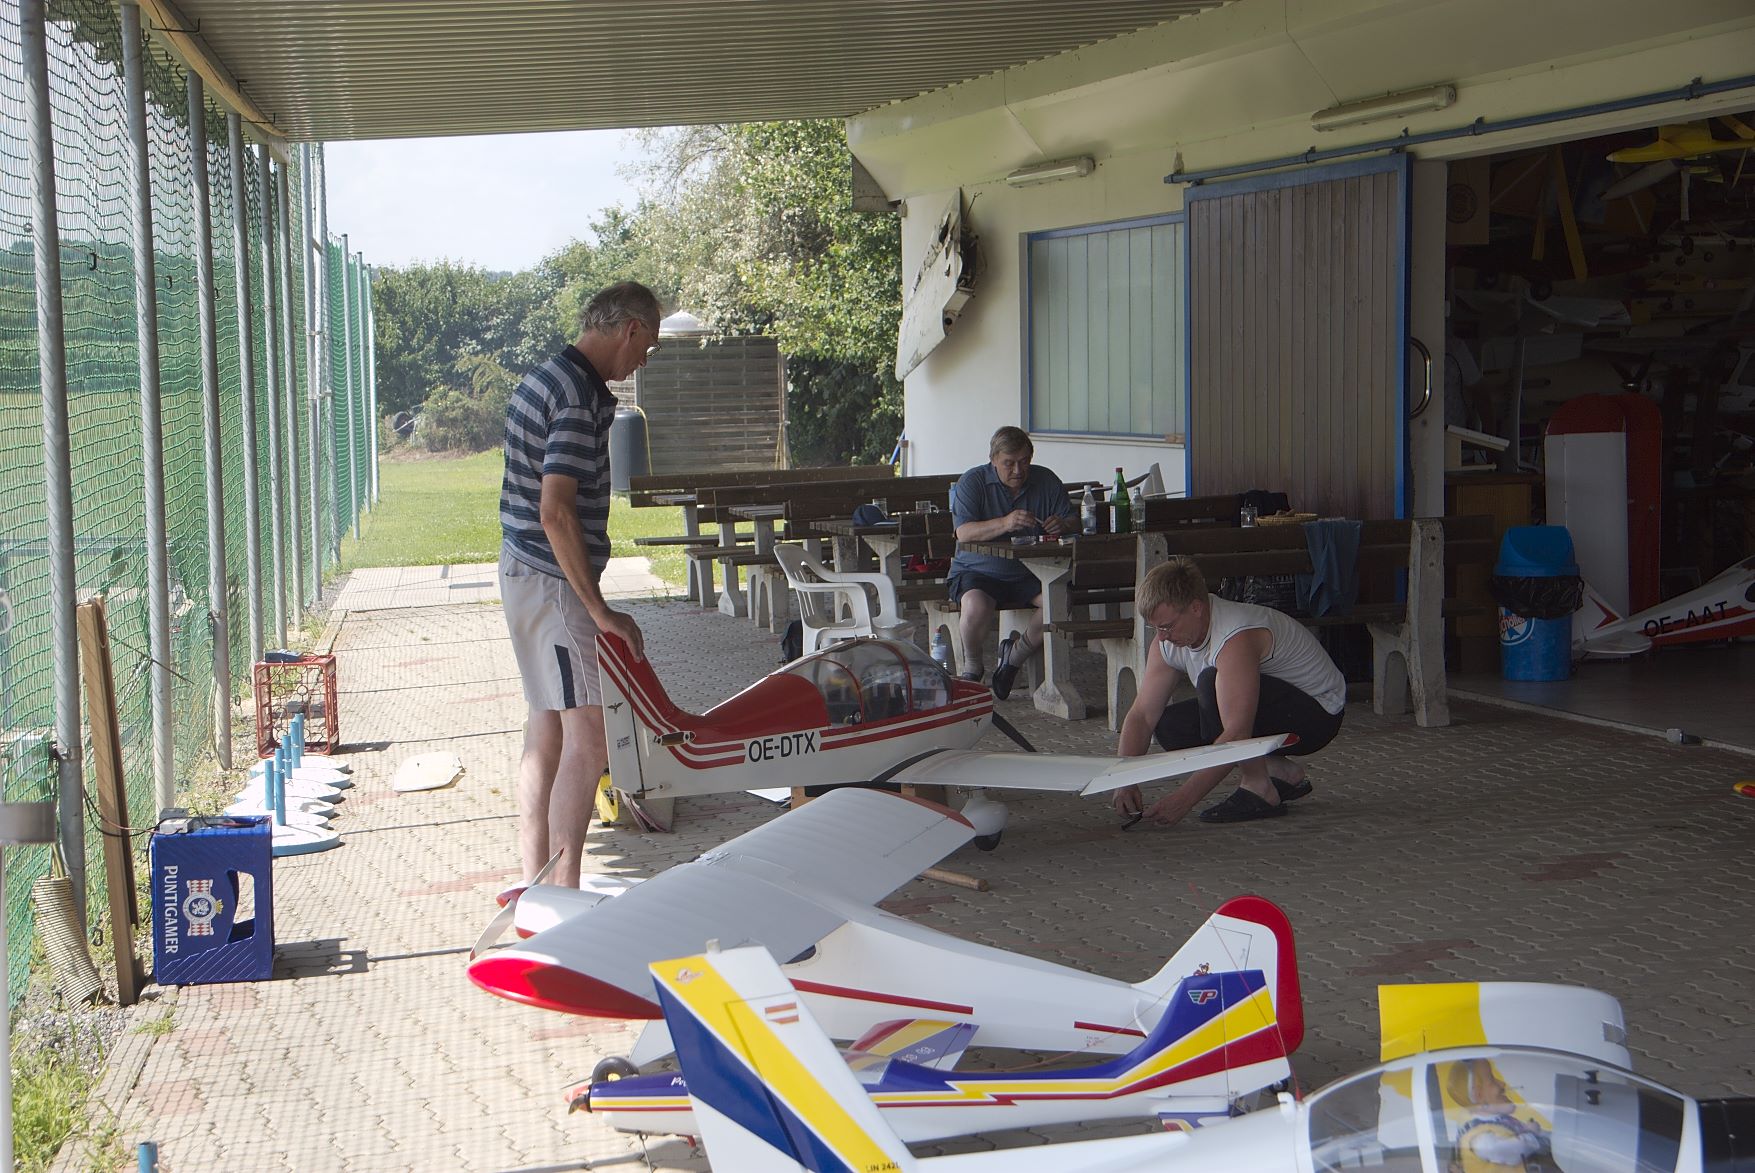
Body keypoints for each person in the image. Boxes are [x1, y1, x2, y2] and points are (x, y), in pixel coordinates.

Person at [498, 281, 658, 887]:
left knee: (546, 728)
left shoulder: (547, 377)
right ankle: (561, 894)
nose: (643, 361)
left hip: (524, 571)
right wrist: (600, 610)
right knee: (590, 737)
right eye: (648, 347)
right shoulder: (576, 396)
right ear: (630, 330)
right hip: (552, 579)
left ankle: (535, 883)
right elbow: (556, 512)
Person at [1111, 556, 1346, 826]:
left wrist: (1183, 800)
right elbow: (1142, 715)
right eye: (1155, 627)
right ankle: (1277, 771)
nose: (1162, 637)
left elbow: (1237, 732)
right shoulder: (1167, 641)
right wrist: (1123, 780)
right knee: (1170, 725)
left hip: (1318, 714)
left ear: (1196, 608)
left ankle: (1259, 786)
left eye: (1167, 626)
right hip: (1272, 706)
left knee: (1210, 684)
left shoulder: (1235, 635)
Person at [946, 427, 1075, 698]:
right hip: (978, 570)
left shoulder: (1046, 480)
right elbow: (963, 532)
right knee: (976, 605)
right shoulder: (973, 482)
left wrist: (1063, 524)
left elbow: (1073, 520)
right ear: (993, 459)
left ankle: (1013, 658)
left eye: (1024, 461)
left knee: (1059, 601)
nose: (1018, 470)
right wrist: (1005, 523)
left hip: (1030, 571)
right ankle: (973, 666)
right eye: (1009, 463)